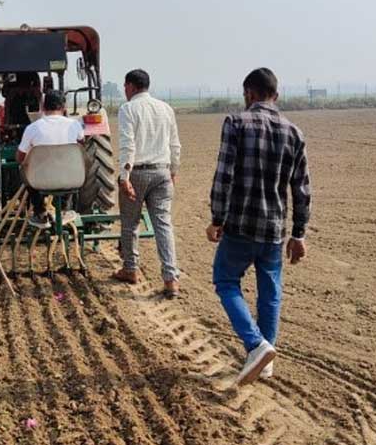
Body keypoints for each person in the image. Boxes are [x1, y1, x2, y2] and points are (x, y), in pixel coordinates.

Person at [206, 67, 311, 386]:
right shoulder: (294, 132)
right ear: (275, 96)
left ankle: (256, 345)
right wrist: (299, 233)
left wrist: (216, 219)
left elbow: (224, 175)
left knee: (225, 281)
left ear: (248, 94)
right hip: (274, 229)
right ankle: (265, 363)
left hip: (240, 224)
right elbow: (302, 188)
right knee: (270, 292)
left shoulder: (236, 123)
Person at [114, 69, 182, 298]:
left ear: (131, 86)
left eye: (125, 87)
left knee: (130, 223)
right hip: (162, 172)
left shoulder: (128, 109)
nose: (124, 91)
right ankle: (171, 279)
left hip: (138, 173)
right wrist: (173, 170)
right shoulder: (165, 108)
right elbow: (175, 144)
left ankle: (130, 268)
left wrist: (124, 177)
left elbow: (128, 145)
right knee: (163, 224)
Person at [16, 91, 84, 229]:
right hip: (70, 180)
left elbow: (20, 157)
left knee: (23, 169)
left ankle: (40, 212)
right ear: (64, 107)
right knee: (74, 165)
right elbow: (81, 146)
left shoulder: (32, 128)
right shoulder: (75, 125)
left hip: (39, 181)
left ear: (43, 107)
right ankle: (65, 208)